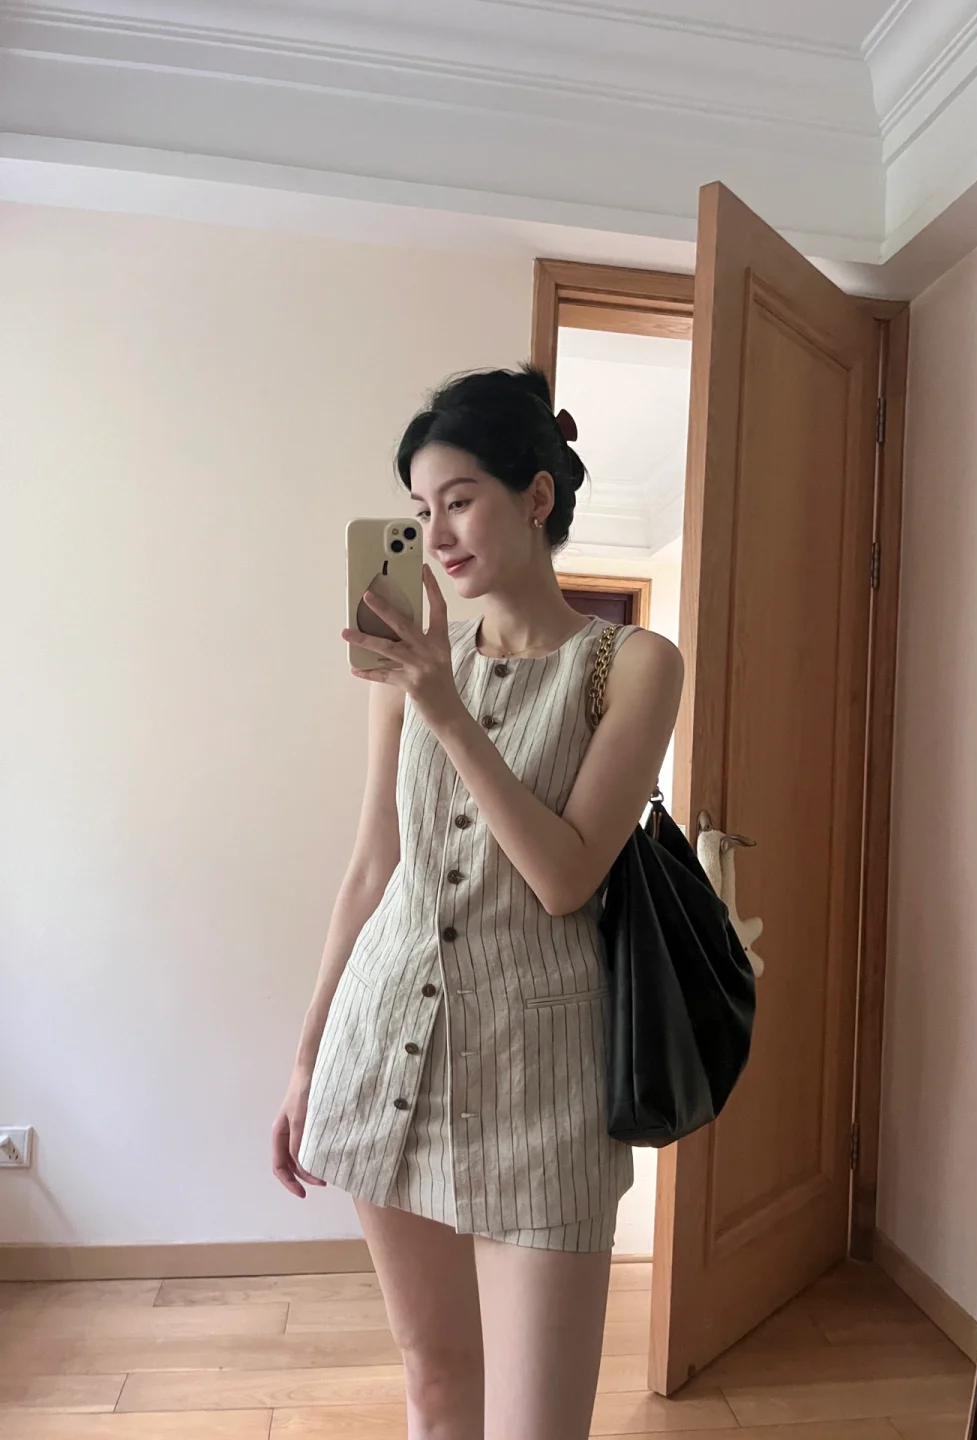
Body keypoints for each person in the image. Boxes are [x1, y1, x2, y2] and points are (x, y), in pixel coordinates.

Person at [272, 365, 683, 1440]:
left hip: (544, 1084)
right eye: (420, 512)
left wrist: (447, 709)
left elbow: (564, 877)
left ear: (536, 495)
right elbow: (374, 864)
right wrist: (309, 1058)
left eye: (459, 500)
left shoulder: (633, 665)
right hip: (386, 1048)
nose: (437, 536)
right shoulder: (407, 662)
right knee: (436, 1384)